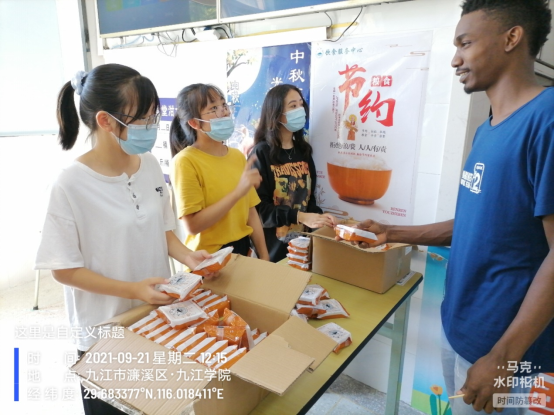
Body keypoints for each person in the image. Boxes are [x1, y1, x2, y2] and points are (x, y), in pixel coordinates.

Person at [337, 1, 554, 414]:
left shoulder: (547, 119)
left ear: (512, 38)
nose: (455, 59)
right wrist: (392, 232)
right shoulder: (487, 129)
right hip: (462, 331)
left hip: (508, 356)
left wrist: (504, 358)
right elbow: (479, 223)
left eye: (465, 43)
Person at [35, 64, 214, 415]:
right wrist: (132, 290)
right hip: (105, 333)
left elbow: (162, 229)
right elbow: (64, 270)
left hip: (155, 319)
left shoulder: (149, 165)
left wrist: (188, 257)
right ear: (105, 121)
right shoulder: (69, 184)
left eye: (153, 117)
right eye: (143, 119)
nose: (151, 126)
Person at [169, 83, 270, 260]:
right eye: (213, 108)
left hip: (243, 253)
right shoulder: (185, 161)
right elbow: (193, 225)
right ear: (194, 123)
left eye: (224, 105)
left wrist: (265, 256)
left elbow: (251, 212)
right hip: (208, 259)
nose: (224, 112)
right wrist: (237, 193)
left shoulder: (237, 156)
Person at [250, 84, 337, 262]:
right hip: (272, 251)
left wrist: (320, 218)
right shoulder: (261, 152)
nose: (300, 110)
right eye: (293, 106)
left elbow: (308, 199)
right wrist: (300, 216)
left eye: (300, 105)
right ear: (276, 113)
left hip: (302, 248)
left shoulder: (303, 150)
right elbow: (259, 209)